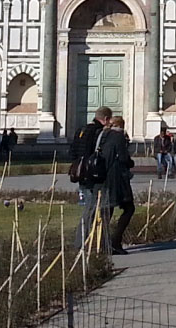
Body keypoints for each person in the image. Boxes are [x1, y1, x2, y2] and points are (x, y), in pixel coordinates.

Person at [72, 106, 112, 252]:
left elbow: (72, 152)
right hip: (93, 177)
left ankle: (89, 242)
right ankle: (83, 243)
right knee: (93, 209)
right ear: (106, 119)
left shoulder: (81, 130)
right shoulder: (99, 133)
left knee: (89, 208)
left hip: (80, 175)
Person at [98, 115, 137, 254]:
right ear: (121, 125)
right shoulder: (118, 136)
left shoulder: (102, 135)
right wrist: (130, 163)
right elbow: (123, 158)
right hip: (117, 178)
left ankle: (103, 243)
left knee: (107, 210)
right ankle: (115, 241)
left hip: (103, 177)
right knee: (129, 208)